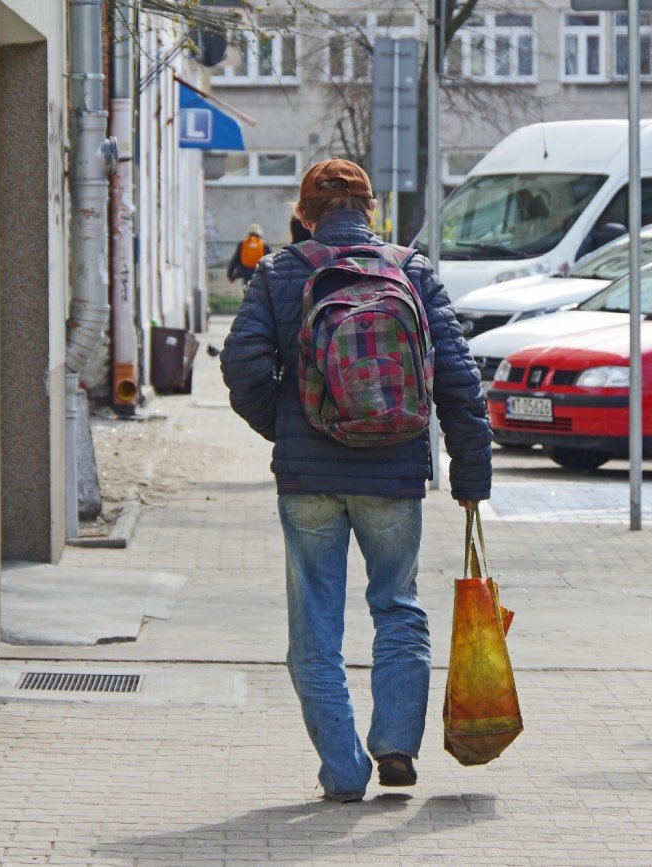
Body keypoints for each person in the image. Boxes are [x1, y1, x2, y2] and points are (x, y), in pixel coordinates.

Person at [219, 159, 493, 803]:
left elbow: (241, 365)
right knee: (397, 607)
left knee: (315, 622)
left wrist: (290, 426)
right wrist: (471, 472)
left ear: (305, 213)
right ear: (370, 209)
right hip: (394, 471)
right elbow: (458, 377)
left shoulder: (281, 271)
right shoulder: (412, 270)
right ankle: (396, 743)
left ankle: (343, 773)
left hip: (308, 479)